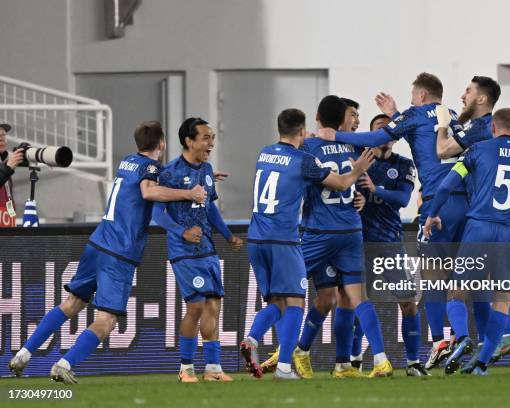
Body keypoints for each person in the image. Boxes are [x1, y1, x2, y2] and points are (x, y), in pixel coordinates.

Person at [8, 121, 206, 383]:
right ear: (162, 144)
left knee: (71, 304)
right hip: (119, 252)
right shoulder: (150, 167)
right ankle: (65, 364)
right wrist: (189, 193)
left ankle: (23, 353)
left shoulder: (127, 161)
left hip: (98, 243)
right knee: (108, 319)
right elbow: (149, 191)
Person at [317, 73, 465, 369]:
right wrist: (397, 115)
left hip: (410, 224)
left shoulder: (401, 159)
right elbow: (418, 131)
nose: (411, 99)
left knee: (423, 286)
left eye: (413, 95)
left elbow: (384, 140)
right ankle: (350, 360)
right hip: (459, 202)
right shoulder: (450, 115)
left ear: (421, 95)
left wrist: (335, 135)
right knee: (462, 279)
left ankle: (431, 348)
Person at [240, 108, 374, 380]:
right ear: (302, 131)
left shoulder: (264, 153)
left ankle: (252, 339)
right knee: (296, 303)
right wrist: (357, 169)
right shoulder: (303, 160)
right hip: (283, 239)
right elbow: (340, 183)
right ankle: (285, 367)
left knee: (277, 301)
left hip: (255, 238)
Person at [423, 108, 510, 375]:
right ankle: (482, 364)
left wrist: (433, 214)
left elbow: (447, 185)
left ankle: (462, 337)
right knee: (502, 300)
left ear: (493, 128)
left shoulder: (476, 150)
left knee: (456, 292)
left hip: (479, 228)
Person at [152, 117, 243, 382]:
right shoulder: (169, 172)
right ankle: (185, 368)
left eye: (212, 137)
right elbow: (158, 213)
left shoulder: (206, 169)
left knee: (213, 306)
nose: (211, 143)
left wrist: (227, 236)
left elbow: (210, 207)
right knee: (195, 307)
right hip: (184, 250)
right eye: (205, 138)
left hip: (207, 249)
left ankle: (213, 369)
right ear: (188, 141)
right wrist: (182, 231)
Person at [353, 114, 428, 376]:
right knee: (358, 305)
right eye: (378, 130)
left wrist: (375, 189)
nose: (383, 134)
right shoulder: (358, 161)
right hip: (360, 244)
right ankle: (353, 362)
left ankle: (412, 362)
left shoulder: (404, 164)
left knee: (408, 303)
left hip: (390, 245)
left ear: (393, 137)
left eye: (387, 130)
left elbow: (403, 199)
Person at [0, 123, 25, 228]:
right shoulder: (6, 167)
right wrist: (7, 169)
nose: (1, 139)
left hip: (7, 227)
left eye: (3, 135)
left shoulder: (4, 163)